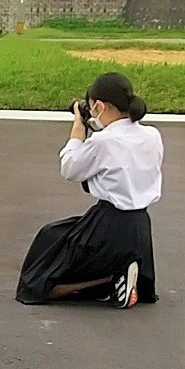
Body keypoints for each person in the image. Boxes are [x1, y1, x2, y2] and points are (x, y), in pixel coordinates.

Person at [16, 72, 163, 307]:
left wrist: (78, 127)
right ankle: (120, 277)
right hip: (140, 228)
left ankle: (111, 277)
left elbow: (70, 169)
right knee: (56, 234)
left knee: (38, 281)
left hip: (108, 224)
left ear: (100, 106)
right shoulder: (151, 135)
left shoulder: (104, 141)